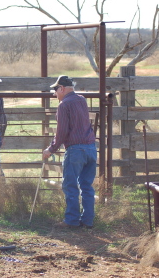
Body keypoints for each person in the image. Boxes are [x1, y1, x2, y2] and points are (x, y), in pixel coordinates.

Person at [43, 75, 97, 229]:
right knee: (86, 185)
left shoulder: (64, 105)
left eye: (55, 89)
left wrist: (50, 149)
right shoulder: (82, 100)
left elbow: (61, 132)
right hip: (91, 147)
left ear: (62, 88)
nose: (54, 94)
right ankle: (88, 221)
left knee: (70, 185)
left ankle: (72, 221)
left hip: (75, 150)